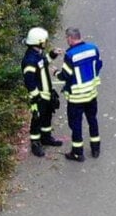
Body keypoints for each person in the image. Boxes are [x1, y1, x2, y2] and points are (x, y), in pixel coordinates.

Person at [55, 27, 102, 162]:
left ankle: (77, 153)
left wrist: (55, 72)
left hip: (76, 97)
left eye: (66, 38)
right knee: (92, 120)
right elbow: (98, 65)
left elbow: (65, 76)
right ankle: (95, 148)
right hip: (91, 94)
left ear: (70, 38)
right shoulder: (93, 48)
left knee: (76, 125)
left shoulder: (70, 55)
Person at [21, 27, 63, 157]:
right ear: (38, 42)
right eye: (44, 41)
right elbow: (29, 81)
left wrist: (52, 54)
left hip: (46, 94)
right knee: (37, 119)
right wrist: (36, 97)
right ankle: (35, 143)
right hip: (39, 97)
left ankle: (46, 137)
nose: (46, 42)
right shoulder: (29, 60)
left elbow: (43, 63)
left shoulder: (36, 54)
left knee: (47, 117)